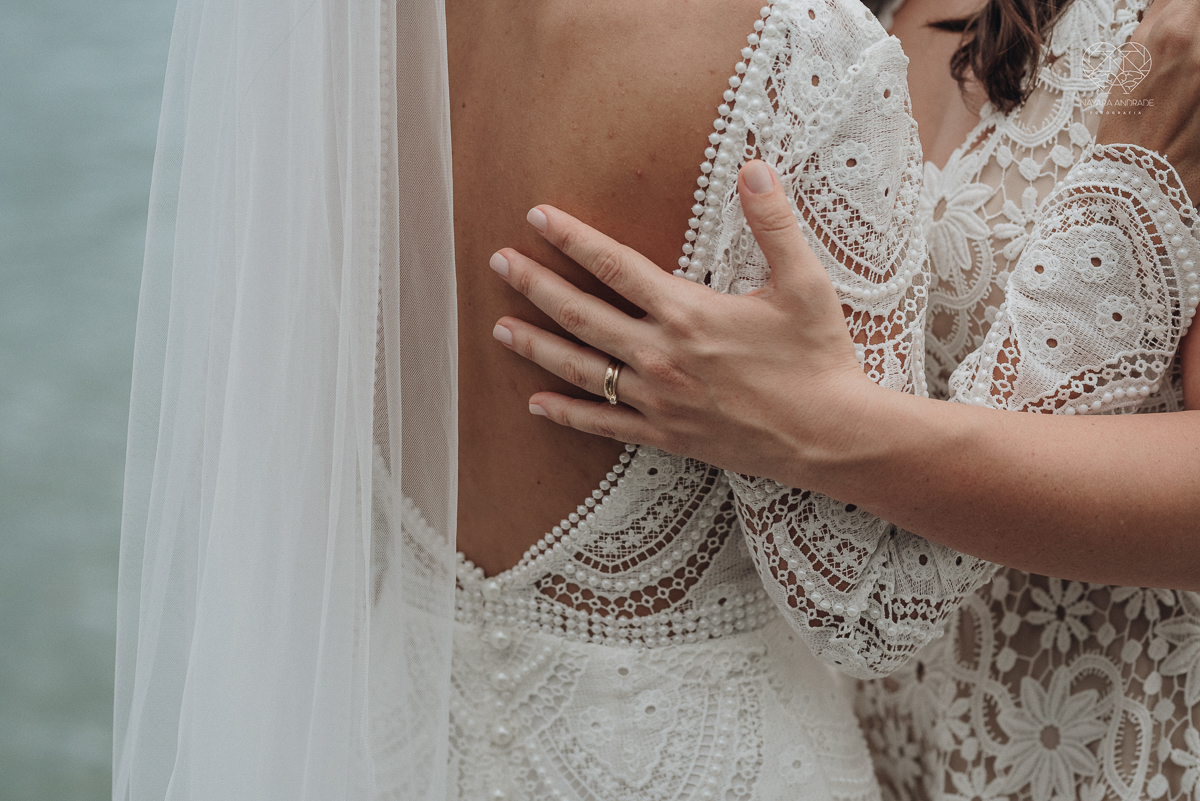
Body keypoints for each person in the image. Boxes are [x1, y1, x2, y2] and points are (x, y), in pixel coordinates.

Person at [114, 0, 1001, 799]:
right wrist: (1088, 267)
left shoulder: (324, 43)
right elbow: (868, 612)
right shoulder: (800, 49)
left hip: (386, 746)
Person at [490, 0, 1200, 797]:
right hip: (863, 748)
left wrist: (818, 425)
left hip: (1108, 745)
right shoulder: (822, 23)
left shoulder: (1173, 42)